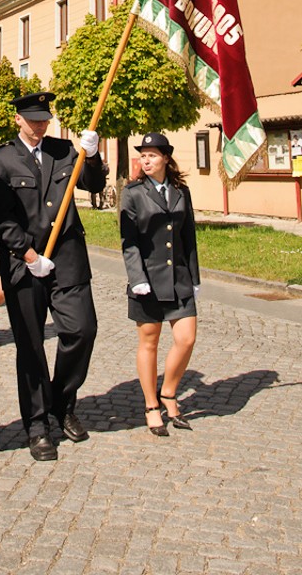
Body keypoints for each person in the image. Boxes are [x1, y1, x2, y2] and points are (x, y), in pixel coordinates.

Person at [0, 91, 104, 461]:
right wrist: (27, 252)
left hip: (67, 259)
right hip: (25, 264)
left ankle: (61, 402)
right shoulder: (1, 160)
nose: (40, 125)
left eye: (44, 119)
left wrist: (94, 154)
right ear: (17, 119)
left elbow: (95, 184)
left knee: (81, 330)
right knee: (32, 347)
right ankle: (37, 425)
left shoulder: (65, 150)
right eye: (33, 119)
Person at [120, 132, 200, 436]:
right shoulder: (133, 192)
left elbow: (188, 236)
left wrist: (194, 278)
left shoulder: (182, 191)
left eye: (152, 155)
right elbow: (129, 243)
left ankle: (168, 391)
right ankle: (152, 405)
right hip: (147, 282)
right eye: (143, 155)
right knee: (149, 343)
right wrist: (136, 279)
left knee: (186, 338)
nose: (146, 160)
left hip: (179, 279)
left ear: (166, 157)